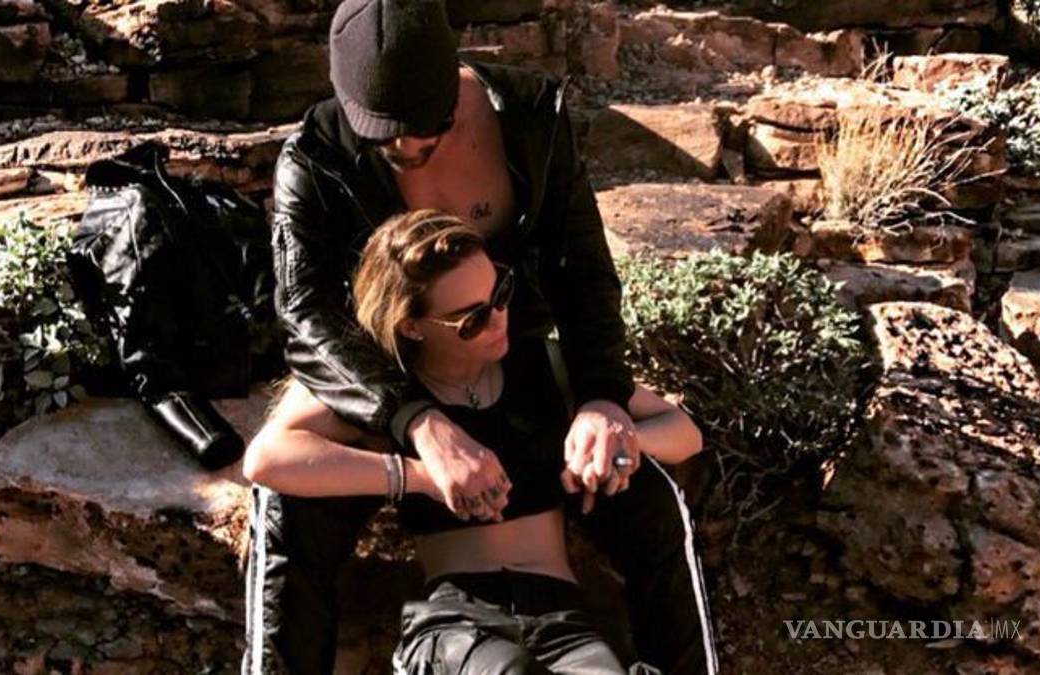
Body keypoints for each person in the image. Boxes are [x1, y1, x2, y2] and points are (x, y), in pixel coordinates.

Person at [243, 0, 720, 673]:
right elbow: (304, 315)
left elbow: (584, 273)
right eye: (382, 138)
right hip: (380, 368)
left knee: (645, 491)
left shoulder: (530, 117)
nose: (405, 152)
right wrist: (415, 429)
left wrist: (602, 400)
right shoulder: (316, 155)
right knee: (287, 511)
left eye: (425, 132)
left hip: (518, 370)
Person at [244, 210, 706, 674]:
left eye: (501, 293)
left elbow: (684, 432)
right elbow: (266, 459)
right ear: (412, 325)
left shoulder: (547, 366)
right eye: (472, 319)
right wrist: (420, 476)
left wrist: (616, 445)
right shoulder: (384, 389)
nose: (498, 319)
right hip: (455, 622)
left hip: (562, 617)